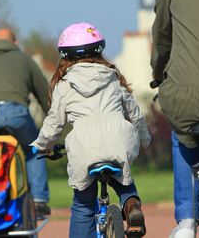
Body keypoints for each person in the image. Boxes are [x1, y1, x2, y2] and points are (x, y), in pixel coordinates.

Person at [30, 22, 151, 237]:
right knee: (125, 185)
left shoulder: (64, 85)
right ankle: (132, 208)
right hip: (118, 139)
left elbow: (54, 123)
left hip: (84, 146)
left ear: (64, 55)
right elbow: (135, 114)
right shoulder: (113, 77)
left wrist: (40, 146)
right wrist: (144, 138)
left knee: (83, 204)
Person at [0, 28, 51, 217]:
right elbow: (43, 92)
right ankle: (39, 200)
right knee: (33, 149)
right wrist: (54, 120)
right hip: (16, 113)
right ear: (15, 43)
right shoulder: (23, 59)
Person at [150, 0, 199, 237]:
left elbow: (162, 39)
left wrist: (157, 74)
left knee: (182, 134)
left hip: (186, 96)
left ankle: (186, 219)